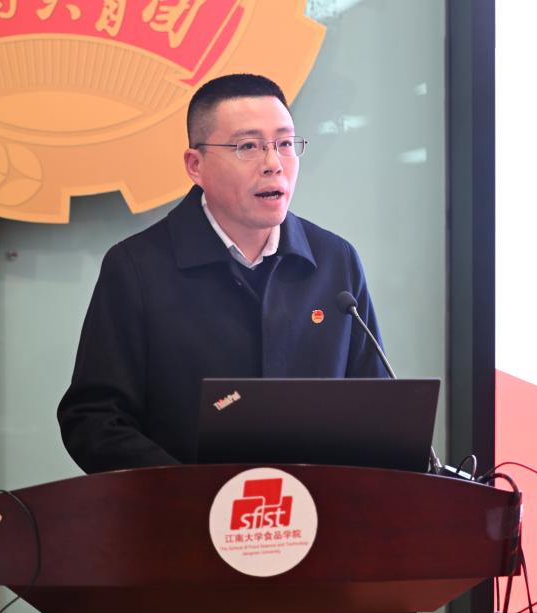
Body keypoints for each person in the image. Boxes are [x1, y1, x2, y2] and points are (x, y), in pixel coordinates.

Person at [57, 73, 388, 473]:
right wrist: (188, 492)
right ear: (195, 165)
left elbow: (376, 410)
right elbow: (94, 421)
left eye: (285, 144)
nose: (273, 164)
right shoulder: (137, 268)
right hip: (185, 508)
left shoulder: (335, 261)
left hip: (317, 507)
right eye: (248, 147)